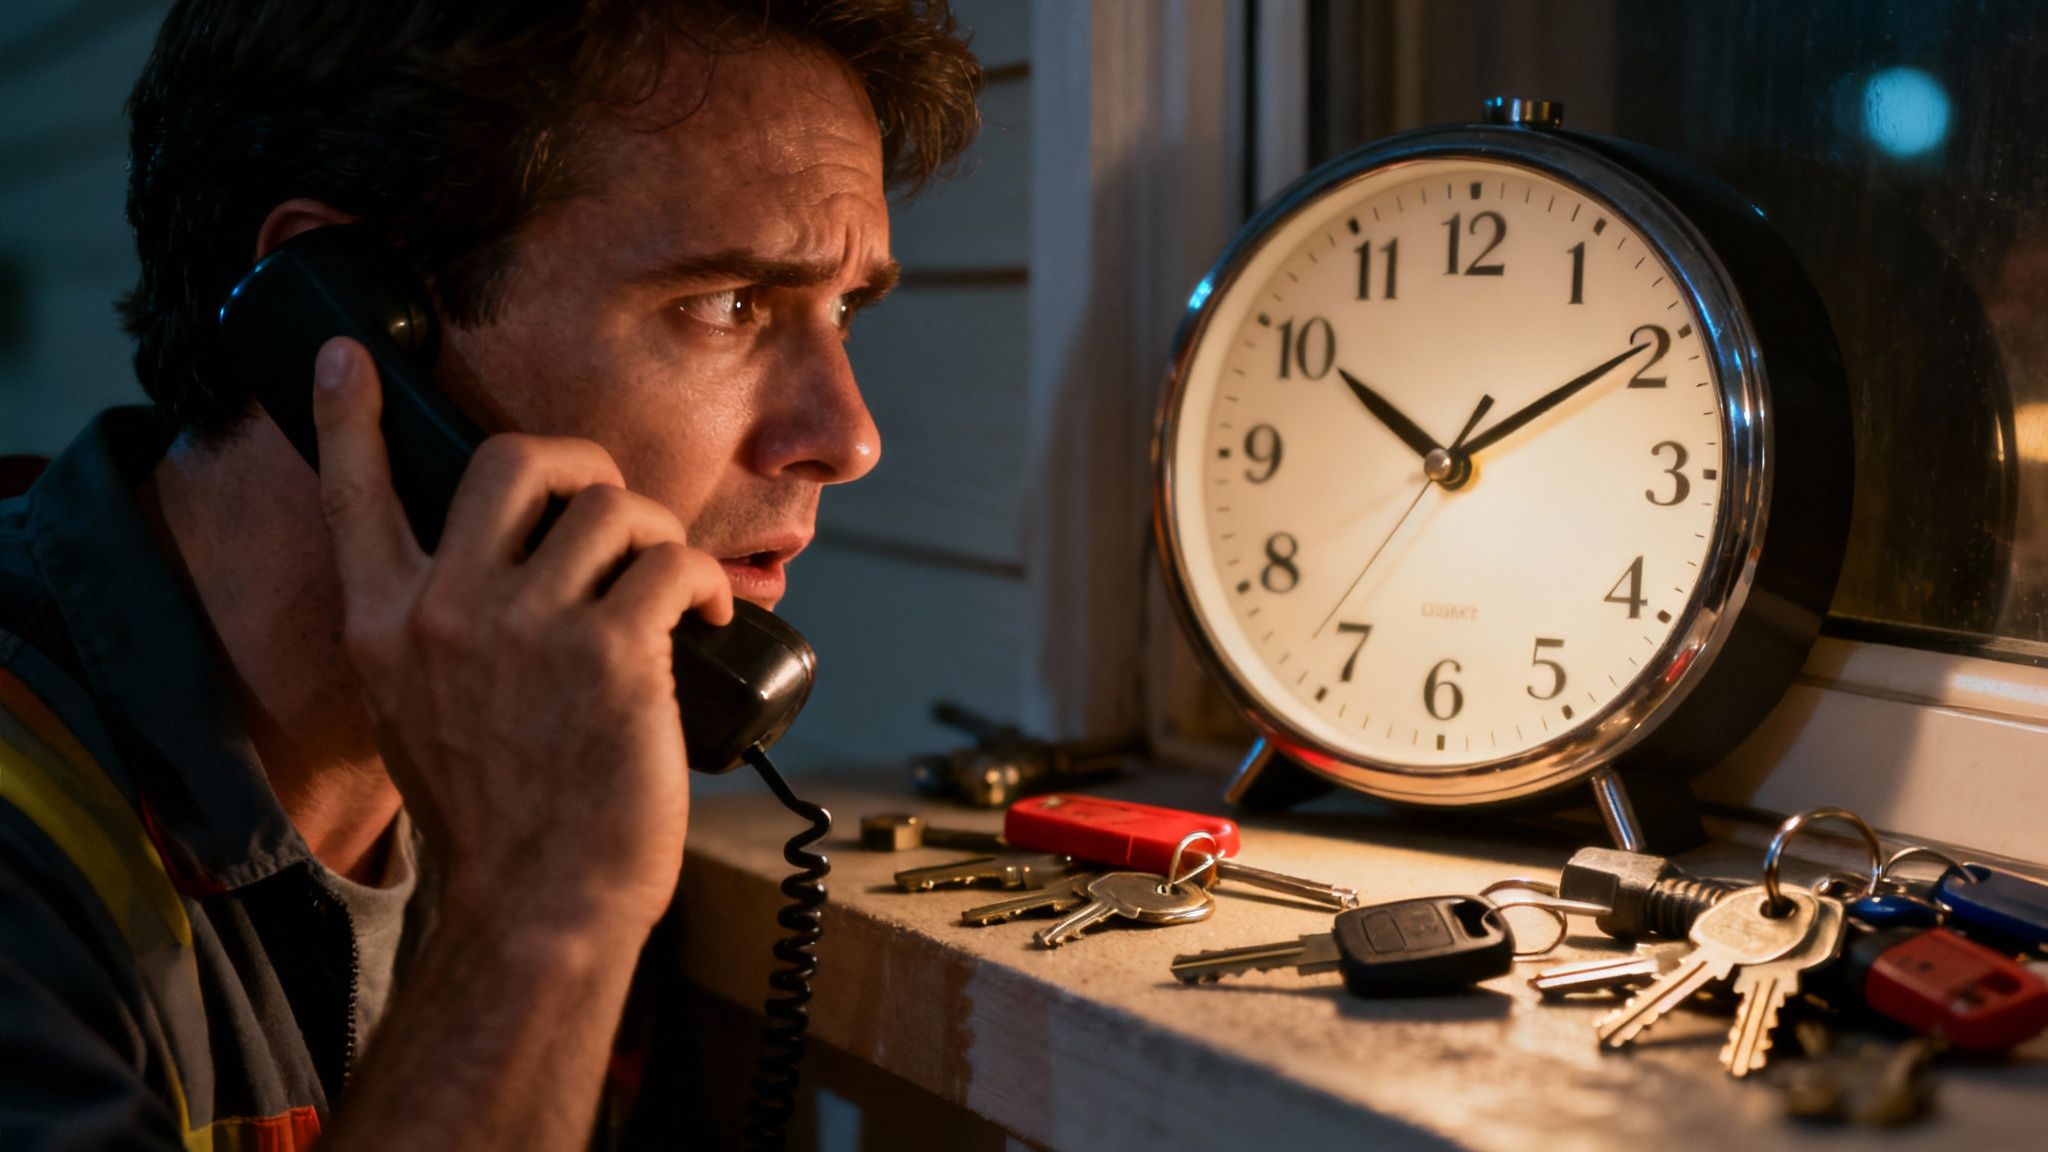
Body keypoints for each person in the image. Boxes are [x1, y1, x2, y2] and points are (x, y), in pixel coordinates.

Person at [0, 2, 979, 1148]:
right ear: (337, 327)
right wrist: (538, 909)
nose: (847, 438)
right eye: (727, 304)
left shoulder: (545, 733)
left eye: (844, 310)